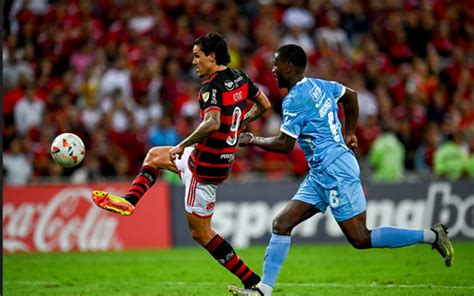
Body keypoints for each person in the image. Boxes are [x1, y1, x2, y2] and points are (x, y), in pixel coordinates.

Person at [228, 44, 454, 296]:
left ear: (289, 67)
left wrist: (253, 140)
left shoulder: (294, 99)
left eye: (276, 64)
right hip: (319, 173)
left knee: (360, 238)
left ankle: (432, 235)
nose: (273, 69)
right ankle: (264, 291)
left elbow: (284, 144)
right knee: (282, 223)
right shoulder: (320, 85)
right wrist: (349, 132)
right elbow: (351, 96)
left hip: (336, 170)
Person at [91, 32, 272, 290]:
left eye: (197, 56)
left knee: (201, 233)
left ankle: (252, 282)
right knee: (154, 155)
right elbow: (264, 104)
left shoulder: (210, 88)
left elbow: (212, 122)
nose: (194, 62)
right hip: (214, 159)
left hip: (204, 170)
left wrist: (182, 144)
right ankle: (130, 201)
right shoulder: (240, 77)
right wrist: (241, 123)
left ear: (212, 56)